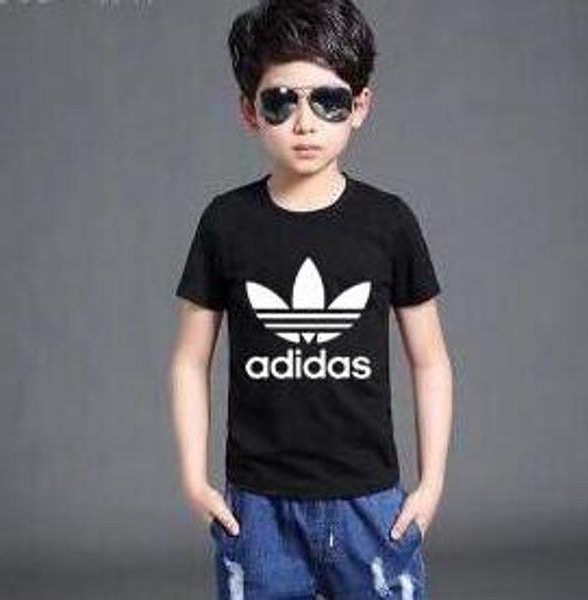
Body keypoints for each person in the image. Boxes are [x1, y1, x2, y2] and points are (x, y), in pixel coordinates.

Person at [169, 1, 453, 597]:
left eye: (328, 101)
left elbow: (430, 359)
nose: (304, 123)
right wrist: (195, 481)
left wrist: (431, 485)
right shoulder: (225, 223)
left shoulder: (389, 223)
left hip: (370, 506)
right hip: (258, 511)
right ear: (250, 110)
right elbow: (189, 360)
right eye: (281, 101)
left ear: (360, 106)